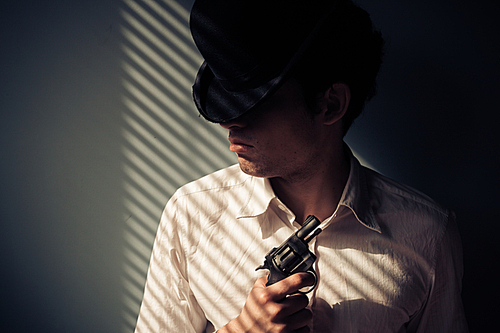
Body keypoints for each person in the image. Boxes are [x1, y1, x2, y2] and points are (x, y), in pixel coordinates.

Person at [134, 0, 469, 332]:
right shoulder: (191, 214)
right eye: (227, 103)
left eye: (257, 105)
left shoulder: (428, 233)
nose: (229, 123)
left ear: (330, 104)